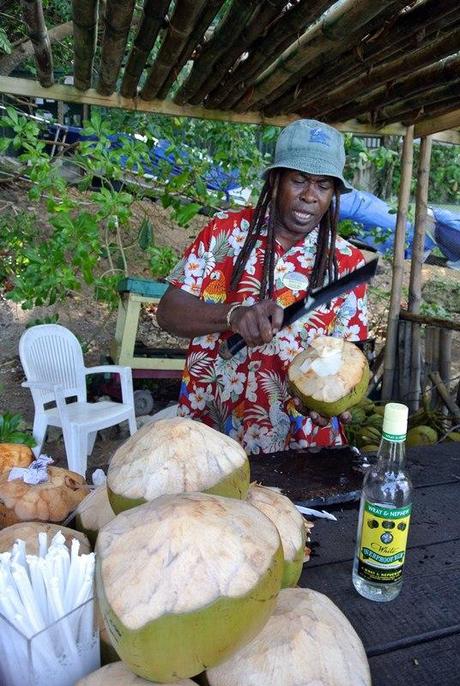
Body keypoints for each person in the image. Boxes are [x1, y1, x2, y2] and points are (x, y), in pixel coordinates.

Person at [156, 119, 368, 454]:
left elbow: (349, 363)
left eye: (323, 186)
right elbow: (167, 314)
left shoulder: (346, 264)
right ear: (275, 179)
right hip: (214, 430)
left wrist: (334, 401)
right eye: (298, 180)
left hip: (300, 442)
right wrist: (233, 315)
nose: (310, 196)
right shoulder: (225, 233)